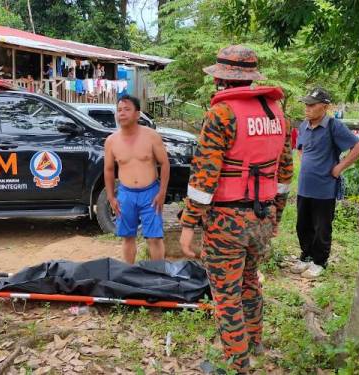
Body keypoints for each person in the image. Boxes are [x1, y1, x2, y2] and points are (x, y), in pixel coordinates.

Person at [179, 45, 293, 374]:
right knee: (249, 282)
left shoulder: (222, 113)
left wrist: (189, 227)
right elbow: (285, 173)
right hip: (263, 215)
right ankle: (254, 341)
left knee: (226, 293)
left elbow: (203, 179)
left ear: (222, 80)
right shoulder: (276, 113)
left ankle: (236, 364)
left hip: (227, 220)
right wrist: (276, 217)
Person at [291, 87, 359, 278]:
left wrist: (338, 168)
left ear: (324, 107)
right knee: (303, 224)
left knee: (322, 227)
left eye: (312, 105)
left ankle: (319, 261)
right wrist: (306, 161)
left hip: (324, 188)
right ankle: (305, 256)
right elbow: (300, 148)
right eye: (306, 104)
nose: (307, 108)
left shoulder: (334, 126)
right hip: (304, 186)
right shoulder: (304, 126)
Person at [104, 95, 170, 264]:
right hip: (126, 194)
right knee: (127, 237)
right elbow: (109, 170)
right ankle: (129, 274)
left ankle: (159, 275)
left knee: (154, 238)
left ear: (137, 114)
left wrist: (162, 192)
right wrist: (111, 197)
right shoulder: (111, 141)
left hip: (151, 193)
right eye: (119, 110)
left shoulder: (151, 136)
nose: (122, 114)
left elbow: (164, 164)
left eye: (127, 109)